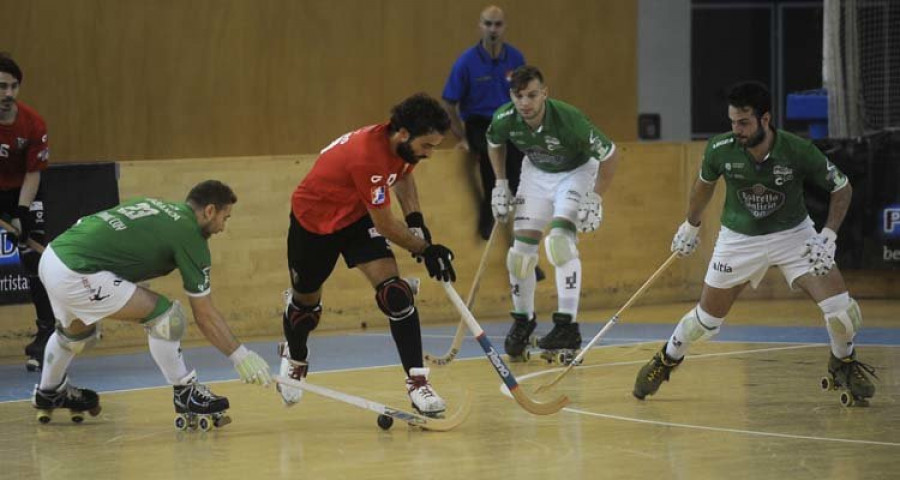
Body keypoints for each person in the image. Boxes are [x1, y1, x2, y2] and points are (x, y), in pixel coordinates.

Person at [632, 81, 877, 406]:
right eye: (733, 122)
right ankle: (665, 360)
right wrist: (690, 225)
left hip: (793, 235)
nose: (737, 130)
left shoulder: (796, 150)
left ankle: (843, 362)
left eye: (744, 122)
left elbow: (842, 188)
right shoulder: (721, 149)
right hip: (739, 240)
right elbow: (704, 186)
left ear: (765, 119)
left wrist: (828, 236)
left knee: (843, 313)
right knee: (705, 321)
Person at [33, 180, 271, 426]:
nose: (223, 227)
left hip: (54, 257)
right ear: (209, 211)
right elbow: (204, 313)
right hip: (77, 270)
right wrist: (241, 356)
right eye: (225, 218)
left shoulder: (155, 205)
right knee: (167, 316)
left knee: (77, 337)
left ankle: (49, 392)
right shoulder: (189, 235)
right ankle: (185, 391)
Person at [278, 93, 457, 417]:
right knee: (305, 309)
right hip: (314, 224)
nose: (429, 154)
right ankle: (295, 355)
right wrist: (426, 249)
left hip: (356, 218)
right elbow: (387, 225)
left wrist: (417, 223)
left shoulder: (399, 144)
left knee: (396, 294)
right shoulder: (367, 156)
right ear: (404, 134)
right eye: (428, 146)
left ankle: (418, 383)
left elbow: (403, 174)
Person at [487, 65, 619, 362]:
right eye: (519, 96)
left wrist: (595, 197)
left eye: (532, 95)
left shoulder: (569, 119)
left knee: (559, 244)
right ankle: (523, 320)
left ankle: (567, 327)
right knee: (519, 255)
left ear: (544, 94)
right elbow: (494, 143)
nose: (525, 103)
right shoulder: (505, 118)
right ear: (511, 96)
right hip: (536, 172)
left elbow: (610, 154)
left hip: (576, 172)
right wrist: (500, 183)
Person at [442, 5, 526, 240]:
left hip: (509, 121)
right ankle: (486, 216)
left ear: (504, 27)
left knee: (519, 177)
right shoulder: (466, 62)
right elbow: (449, 103)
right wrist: (462, 138)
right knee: (491, 160)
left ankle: (520, 244)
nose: (493, 29)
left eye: (497, 24)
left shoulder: (515, 58)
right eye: (488, 24)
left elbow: (527, 93)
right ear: (480, 26)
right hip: (480, 124)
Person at [0, 53, 56, 372]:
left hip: (23, 189)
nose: (8, 94)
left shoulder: (33, 123)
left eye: (14, 86)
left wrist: (20, 212)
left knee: (35, 258)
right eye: (1, 86)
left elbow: (34, 174)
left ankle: (46, 334)